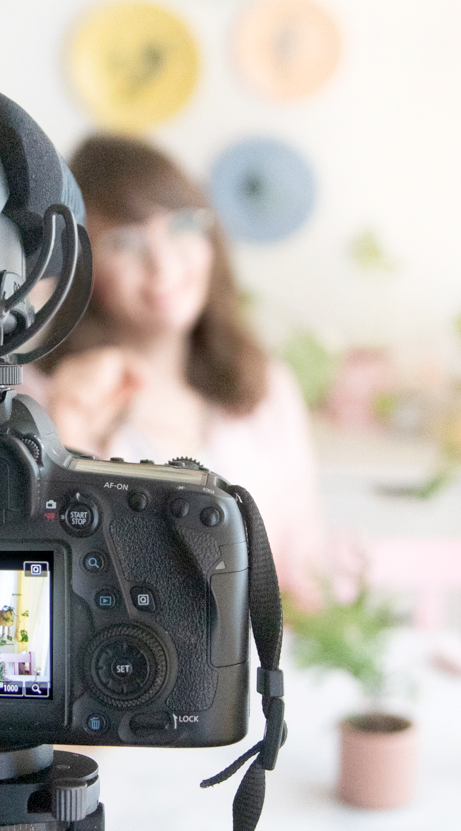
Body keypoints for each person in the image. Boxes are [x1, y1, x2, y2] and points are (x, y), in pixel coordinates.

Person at [31, 135, 324, 608]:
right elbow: (49, 581)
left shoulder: (267, 386)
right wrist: (70, 430)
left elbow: (304, 566)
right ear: (82, 266)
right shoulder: (42, 399)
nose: (163, 264)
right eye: (124, 242)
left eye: (182, 225)